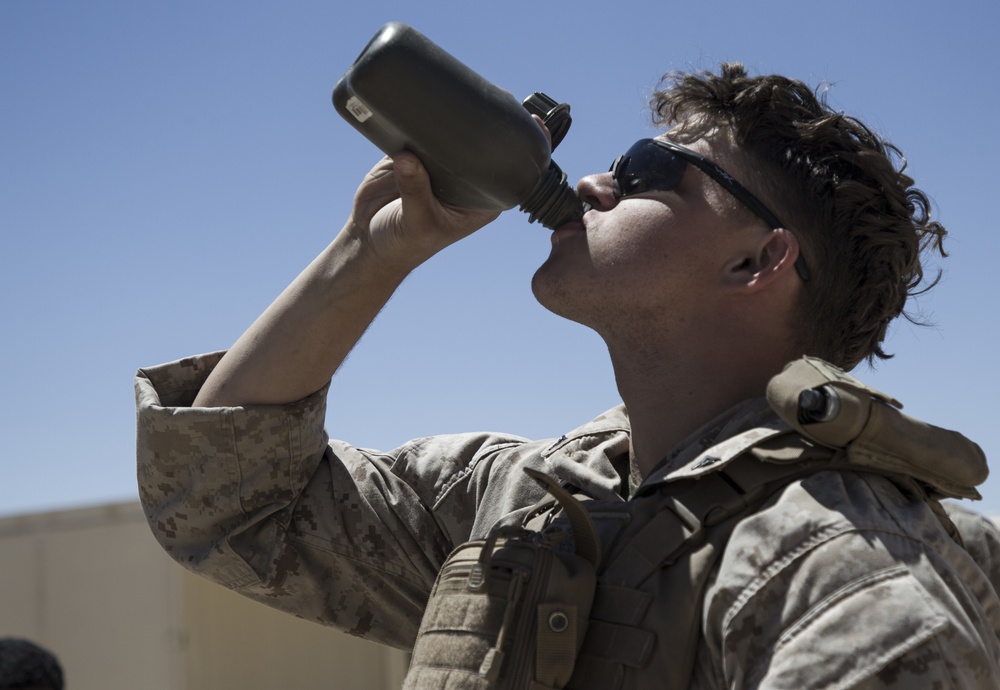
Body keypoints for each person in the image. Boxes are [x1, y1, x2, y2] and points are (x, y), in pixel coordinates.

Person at [135, 63, 999, 688]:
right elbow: (230, 501)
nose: (590, 182)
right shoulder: (526, 503)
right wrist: (374, 251)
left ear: (756, 261)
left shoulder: (835, 568)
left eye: (644, 173)